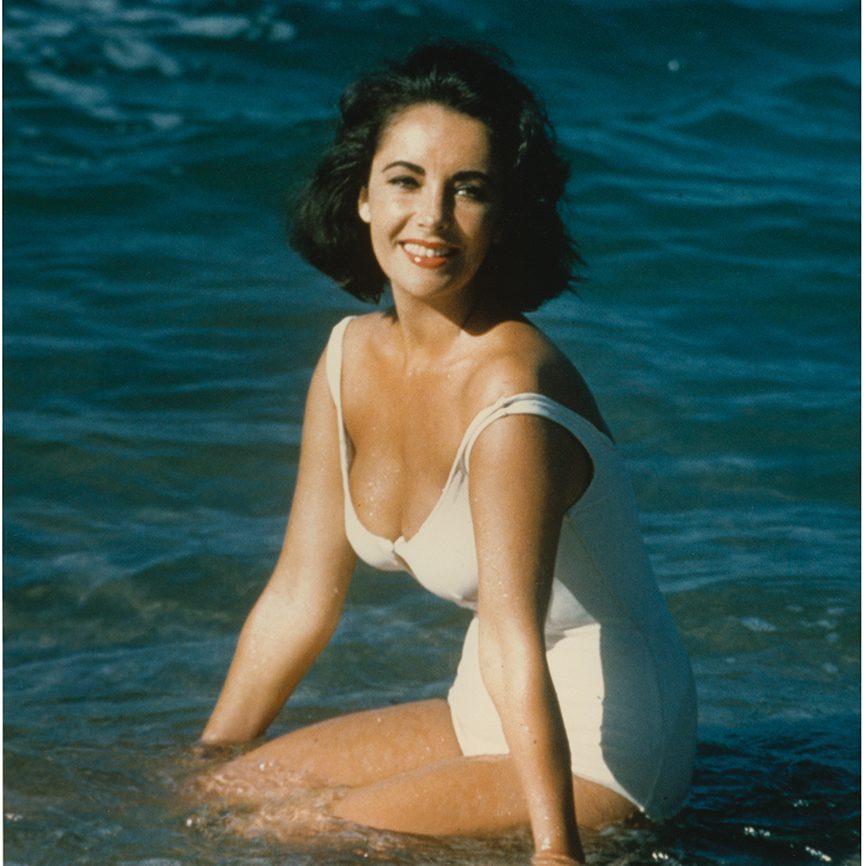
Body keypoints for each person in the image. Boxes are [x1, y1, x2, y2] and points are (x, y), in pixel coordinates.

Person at [199, 41, 697, 866]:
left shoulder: (511, 397)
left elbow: (512, 636)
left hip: (602, 739)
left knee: (299, 835)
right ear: (362, 196)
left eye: (468, 190)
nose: (431, 217)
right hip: (486, 707)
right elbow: (299, 595)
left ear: (503, 219)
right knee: (223, 800)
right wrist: (207, 756)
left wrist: (555, 850)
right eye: (406, 180)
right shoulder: (348, 355)